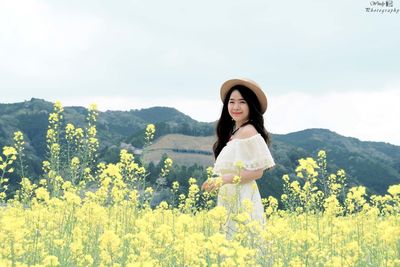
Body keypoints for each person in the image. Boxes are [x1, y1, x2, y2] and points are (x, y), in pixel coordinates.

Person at [201, 78, 275, 239]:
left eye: (242, 102)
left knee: (242, 244)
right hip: (232, 195)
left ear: (251, 105)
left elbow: (257, 172)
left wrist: (223, 179)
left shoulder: (248, 131)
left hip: (243, 197)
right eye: (231, 101)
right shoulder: (236, 132)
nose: (235, 107)